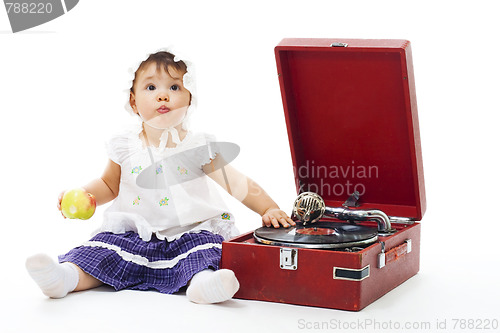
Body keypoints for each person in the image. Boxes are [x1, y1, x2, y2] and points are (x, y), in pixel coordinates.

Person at [25, 49, 294, 304]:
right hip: (134, 234)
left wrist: (268, 207)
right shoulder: (124, 144)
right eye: (151, 88)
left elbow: (236, 183)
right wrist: (87, 194)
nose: (163, 96)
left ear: (190, 99)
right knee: (102, 251)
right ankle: (65, 278)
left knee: (205, 253)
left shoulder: (197, 148)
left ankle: (203, 284)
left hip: (190, 232)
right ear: (133, 101)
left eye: (174, 87)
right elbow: (109, 184)